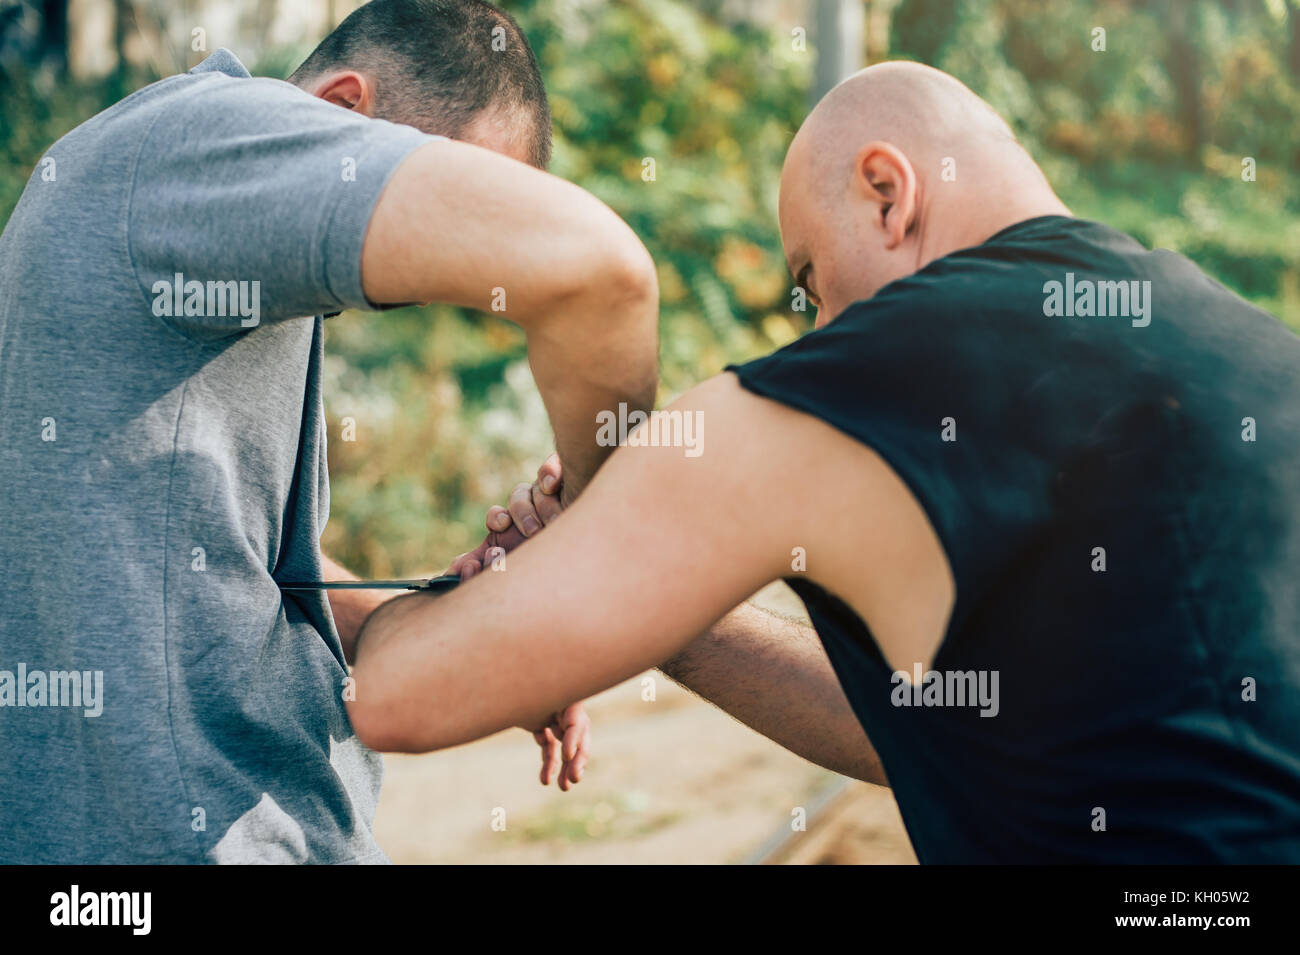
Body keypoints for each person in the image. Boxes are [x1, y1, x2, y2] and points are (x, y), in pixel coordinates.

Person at [350, 62, 1300, 863]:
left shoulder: (868, 373)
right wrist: (649, 617)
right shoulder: (1255, 354)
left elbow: (397, 694)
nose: (819, 324)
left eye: (810, 281)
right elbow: (941, 729)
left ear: (888, 193)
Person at [0, 0, 657, 863]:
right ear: (345, 113)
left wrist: (491, 627)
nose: (439, 278)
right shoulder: (206, 145)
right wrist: (613, 548)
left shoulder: (181, 202)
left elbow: (221, 569)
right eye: (452, 189)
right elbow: (600, 269)